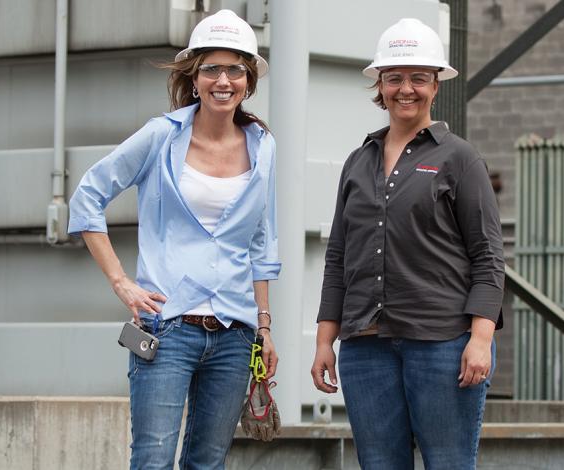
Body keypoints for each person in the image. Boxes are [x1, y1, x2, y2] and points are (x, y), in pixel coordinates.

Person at [68, 9, 279, 469]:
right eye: (212, 69)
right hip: (167, 330)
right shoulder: (161, 137)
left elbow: (262, 243)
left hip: (235, 334)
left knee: (208, 462)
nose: (223, 81)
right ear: (195, 75)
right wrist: (121, 282)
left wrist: (264, 328)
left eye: (235, 70)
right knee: (154, 460)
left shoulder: (263, 146)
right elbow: (87, 197)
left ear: (249, 79)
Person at [310, 18, 504, 470]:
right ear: (380, 84)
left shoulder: (460, 158)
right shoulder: (358, 162)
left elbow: (489, 256)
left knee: (448, 464)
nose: (406, 89)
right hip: (365, 346)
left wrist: (480, 339)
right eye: (395, 78)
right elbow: (338, 256)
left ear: (436, 85)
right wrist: (325, 340)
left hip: (442, 345)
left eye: (419, 78)